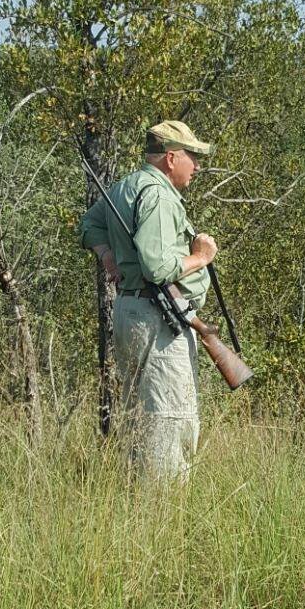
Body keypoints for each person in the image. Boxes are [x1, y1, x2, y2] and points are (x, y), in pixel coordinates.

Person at [80, 120, 218, 479]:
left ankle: (141, 508)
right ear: (171, 158)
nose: (197, 166)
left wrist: (107, 253)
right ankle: (165, 513)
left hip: (134, 311)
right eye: (192, 157)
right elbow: (157, 266)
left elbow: (89, 223)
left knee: (143, 414)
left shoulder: (125, 187)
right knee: (169, 421)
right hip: (159, 320)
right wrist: (201, 257)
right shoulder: (156, 194)